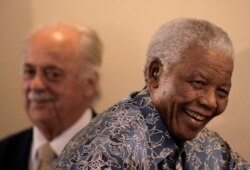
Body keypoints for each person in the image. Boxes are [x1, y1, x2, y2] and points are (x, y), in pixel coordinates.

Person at [56, 18, 250, 170]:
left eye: (222, 91)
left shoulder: (210, 147)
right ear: (155, 73)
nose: (210, 101)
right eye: (198, 83)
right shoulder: (103, 153)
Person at [0, 22, 103, 170]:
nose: (36, 85)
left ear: (90, 83)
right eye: (29, 71)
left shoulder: (127, 157)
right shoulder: (5, 152)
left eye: (52, 74)